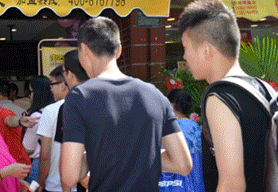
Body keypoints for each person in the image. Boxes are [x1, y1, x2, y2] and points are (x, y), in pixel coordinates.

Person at [60, 17, 192, 192]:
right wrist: (138, 155)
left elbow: (69, 177)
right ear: (119, 51)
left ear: (83, 50)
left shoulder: (79, 97)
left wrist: (95, 155)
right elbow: (183, 164)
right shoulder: (154, 94)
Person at [179, 0, 271, 192]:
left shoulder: (220, 97)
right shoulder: (262, 88)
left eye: (185, 47)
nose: (184, 56)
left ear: (206, 50)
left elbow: (232, 184)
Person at [54, 50, 89, 191]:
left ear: (71, 74)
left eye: (63, 72)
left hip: (83, 179)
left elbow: (66, 159)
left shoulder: (70, 105)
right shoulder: (108, 98)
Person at [159, 89, 205, 192]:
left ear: (170, 104)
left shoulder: (169, 129)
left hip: (172, 185)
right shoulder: (198, 128)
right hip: (196, 183)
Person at [0, 82, 34, 166]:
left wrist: (20, 121)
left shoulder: (4, 113)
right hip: (2, 168)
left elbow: (10, 120)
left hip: (17, 167)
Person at [36, 66, 70, 192]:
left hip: (56, 185)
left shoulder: (50, 111)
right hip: (83, 183)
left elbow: (45, 154)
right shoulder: (88, 105)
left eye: (52, 84)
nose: (51, 89)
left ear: (62, 85)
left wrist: (40, 182)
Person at [22, 76, 54, 184]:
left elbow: (28, 148)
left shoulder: (36, 116)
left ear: (38, 93)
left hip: (38, 164)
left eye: (31, 92)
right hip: (55, 163)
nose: (29, 96)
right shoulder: (55, 111)